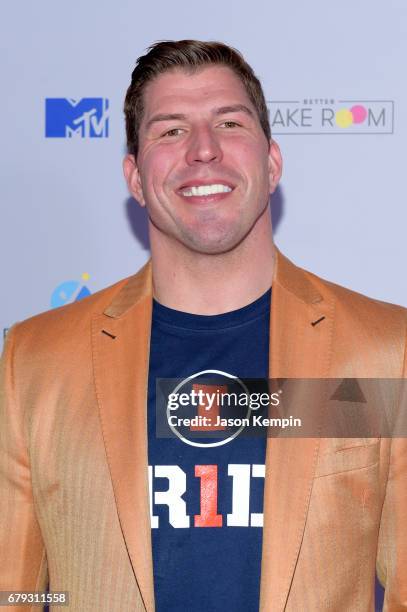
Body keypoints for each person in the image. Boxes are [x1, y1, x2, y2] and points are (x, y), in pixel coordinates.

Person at [0, 40, 406, 612]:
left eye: (229, 122)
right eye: (170, 131)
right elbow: (11, 591)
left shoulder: (385, 351)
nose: (203, 150)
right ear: (135, 178)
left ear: (272, 162)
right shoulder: (35, 362)